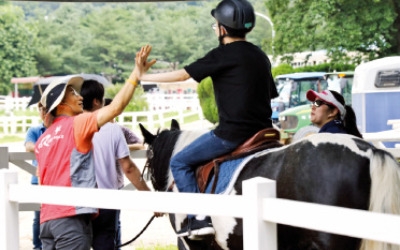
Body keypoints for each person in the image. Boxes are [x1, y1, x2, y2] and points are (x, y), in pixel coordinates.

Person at [139, 0, 278, 238]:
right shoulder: (260, 55)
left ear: (223, 29)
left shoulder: (222, 55)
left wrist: (145, 76)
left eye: (216, 25)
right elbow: (269, 94)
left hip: (231, 135)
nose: (215, 28)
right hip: (265, 132)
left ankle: (199, 218)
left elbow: (184, 74)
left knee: (179, 162)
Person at [34, 44, 155, 250]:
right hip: (70, 219)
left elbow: (40, 175)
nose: (80, 97)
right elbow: (116, 107)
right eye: (73, 93)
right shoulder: (78, 124)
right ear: (61, 103)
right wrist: (137, 74)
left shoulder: (43, 139)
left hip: (47, 221)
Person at [80, 80, 151, 250]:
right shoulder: (112, 129)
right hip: (105, 201)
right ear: (97, 101)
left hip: (77, 200)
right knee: (105, 241)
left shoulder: (70, 126)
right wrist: (150, 197)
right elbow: (128, 167)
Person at [25, 102, 46, 250]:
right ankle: (37, 247)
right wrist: (48, 146)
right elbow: (29, 146)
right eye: (41, 109)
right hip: (37, 178)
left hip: (55, 179)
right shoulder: (34, 130)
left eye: (46, 109)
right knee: (38, 216)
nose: (43, 112)